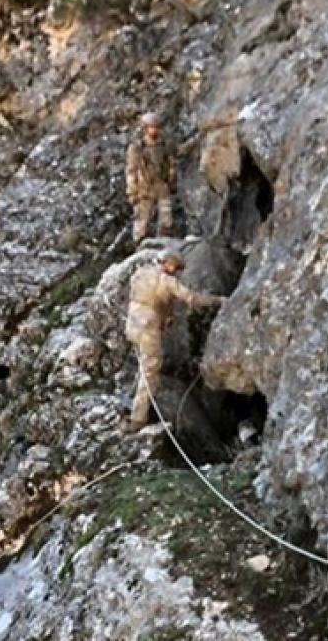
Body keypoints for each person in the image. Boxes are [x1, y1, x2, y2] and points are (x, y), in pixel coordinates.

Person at [124, 249, 223, 429]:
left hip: (132, 324)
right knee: (150, 370)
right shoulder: (167, 281)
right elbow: (192, 298)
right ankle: (138, 418)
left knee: (142, 364)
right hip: (148, 328)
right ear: (169, 264)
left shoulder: (142, 271)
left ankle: (130, 402)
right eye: (176, 268)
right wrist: (217, 301)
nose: (176, 272)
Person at [126, 112, 177, 244]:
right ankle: (140, 246)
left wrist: (171, 179)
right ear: (145, 129)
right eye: (151, 127)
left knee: (166, 220)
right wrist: (132, 190)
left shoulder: (164, 144)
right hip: (144, 188)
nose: (154, 130)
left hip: (161, 186)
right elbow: (131, 170)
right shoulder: (137, 147)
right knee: (141, 223)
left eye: (156, 127)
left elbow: (171, 162)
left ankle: (165, 243)